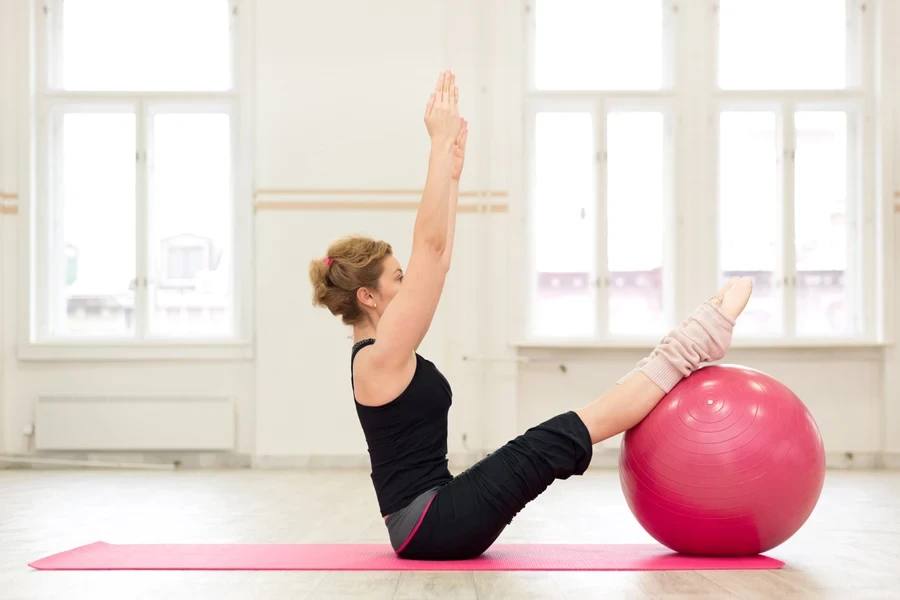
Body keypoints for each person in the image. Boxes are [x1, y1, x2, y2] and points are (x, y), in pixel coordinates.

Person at [308, 70, 754, 561]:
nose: (408, 280)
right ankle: (696, 341)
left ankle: (692, 340)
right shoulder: (376, 359)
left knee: (552, 438)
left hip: (435, 517)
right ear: (369, 298)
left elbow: (440, 256)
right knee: (558, 437)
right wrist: (437, 146)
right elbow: (431, 252)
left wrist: (452, 177)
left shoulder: (383, 354)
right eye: (398, 277)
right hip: (431, 524)